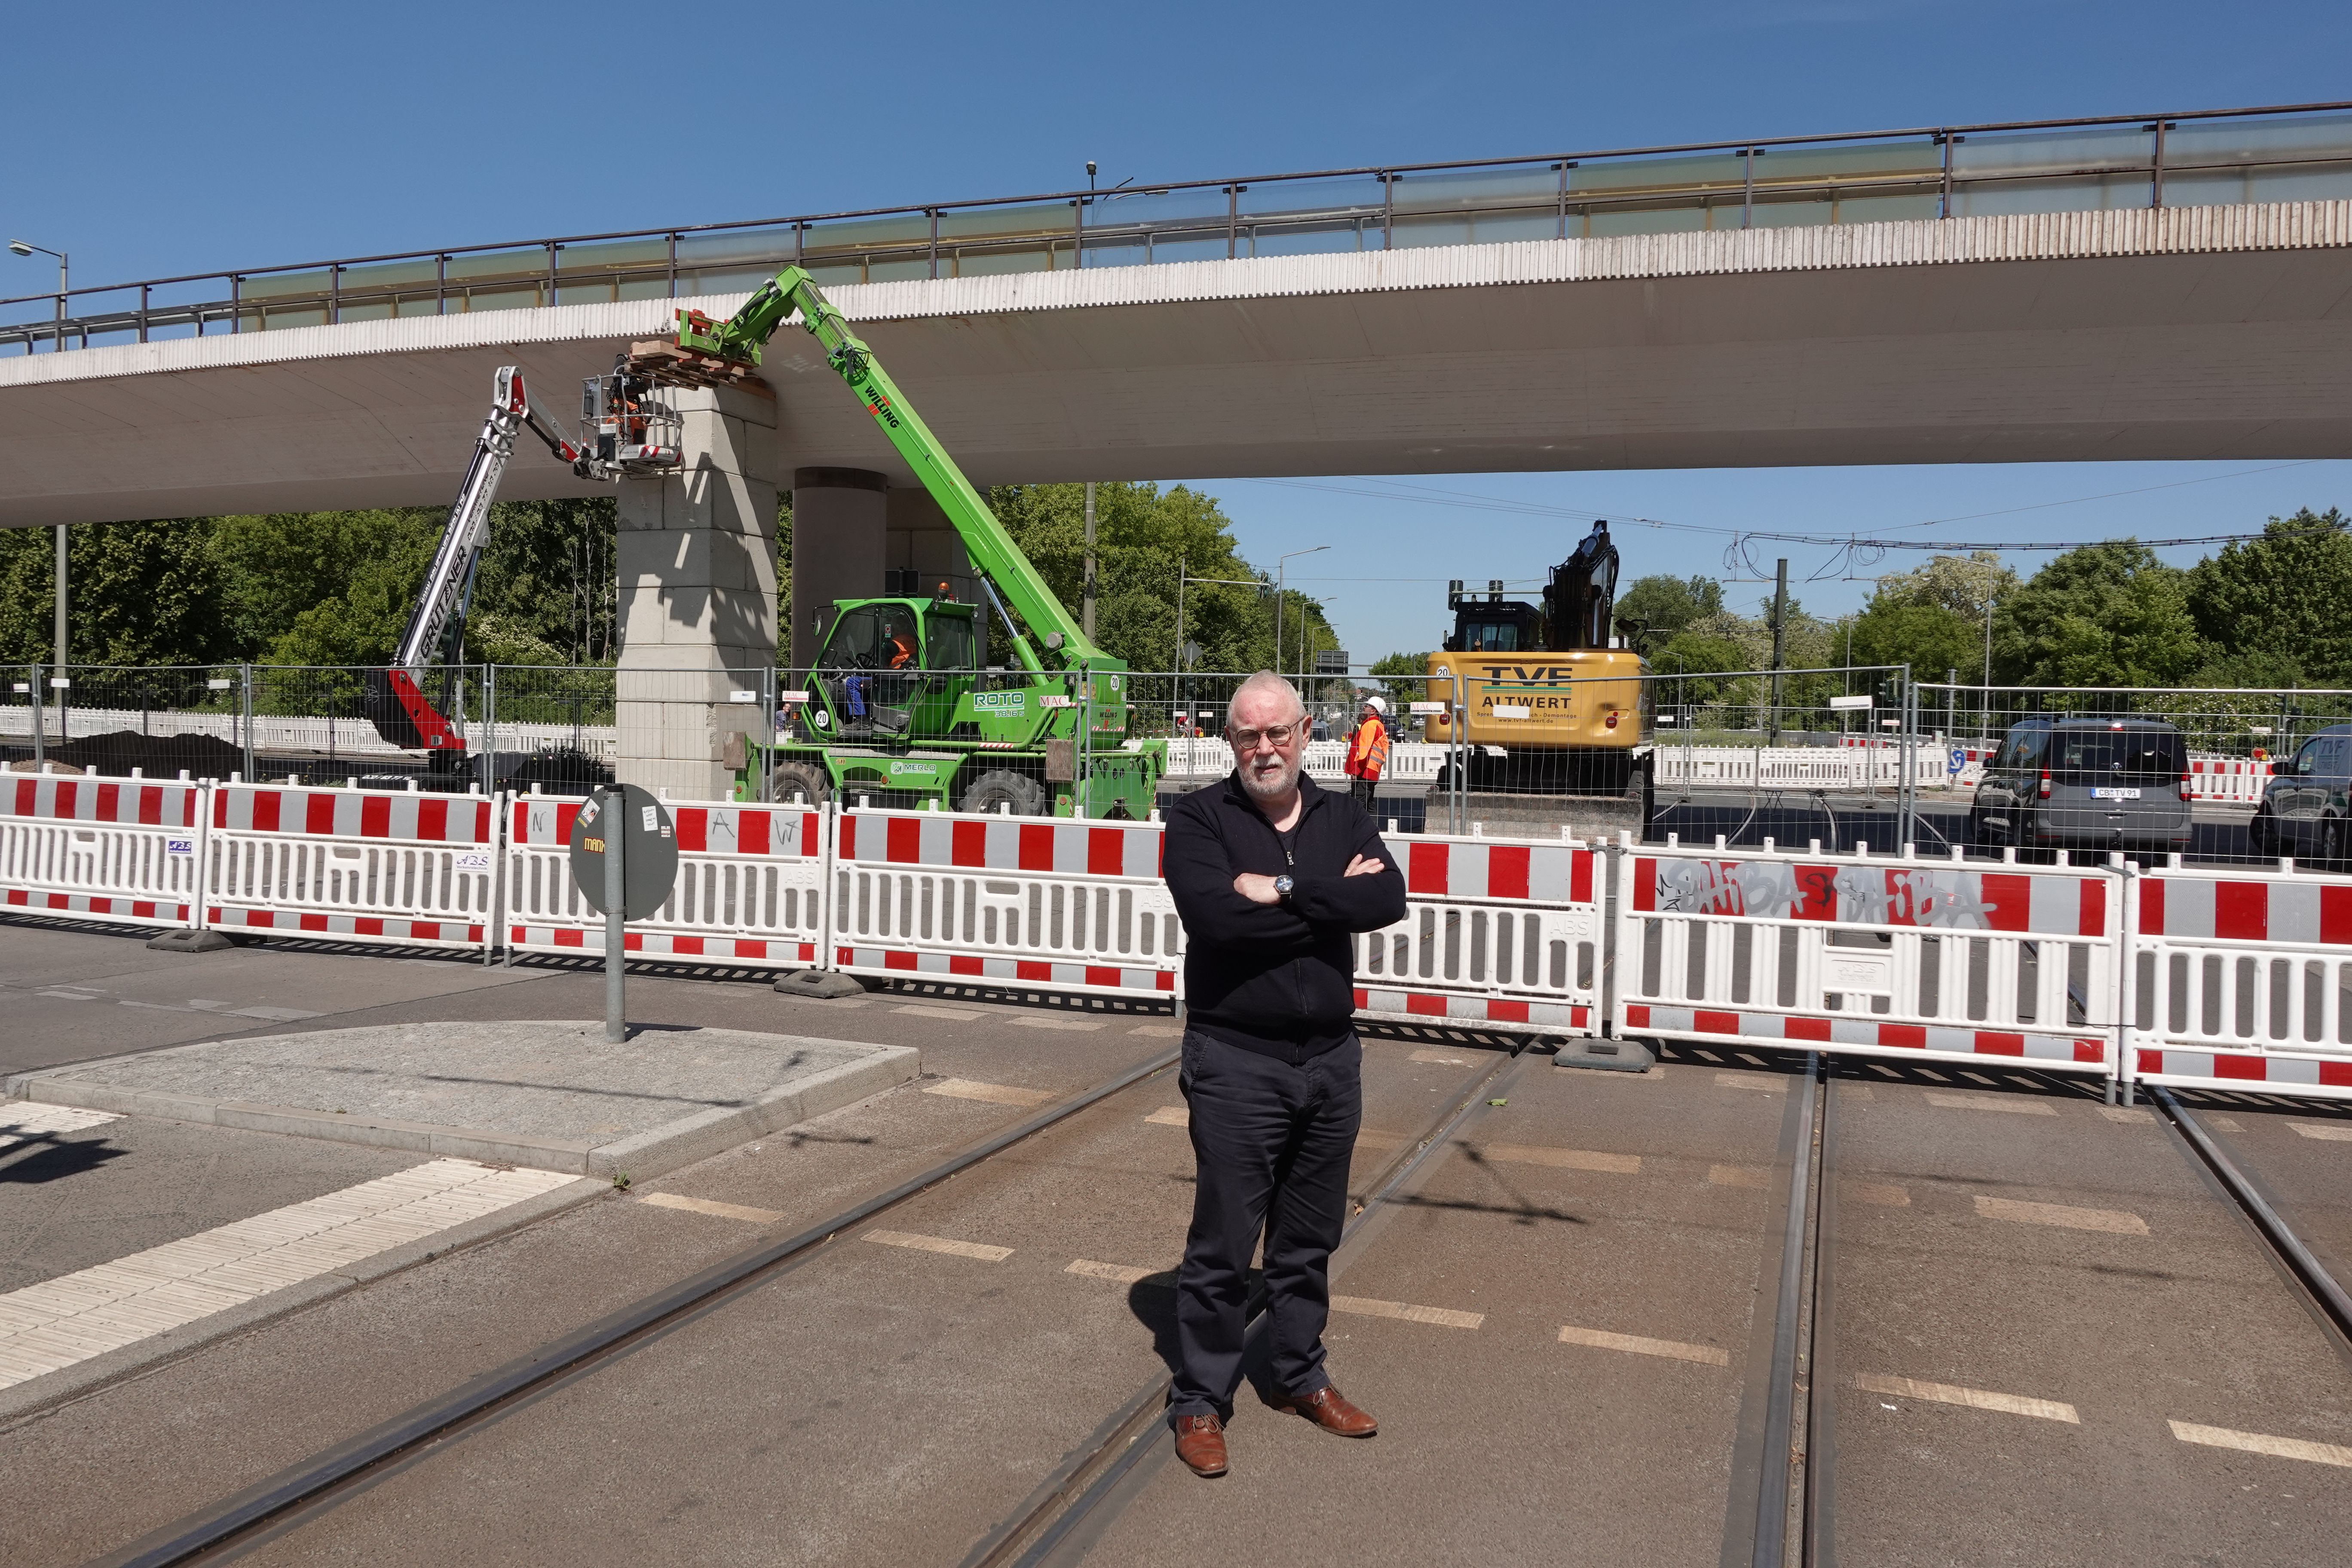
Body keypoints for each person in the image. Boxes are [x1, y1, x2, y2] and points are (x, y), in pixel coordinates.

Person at [1158, 671, 1408, 1479]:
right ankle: (1199, 1397)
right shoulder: (1198, 817)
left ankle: (1298, 1374)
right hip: (1236, 1059)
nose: (1263, 748)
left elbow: (1389, 900)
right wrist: (1329, 901)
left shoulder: (1342, 813)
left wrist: (1286, 888)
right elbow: (1214, 919)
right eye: (1246, 735)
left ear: (1305, 732)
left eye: (1278, 732)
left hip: (1331, 1060)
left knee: (1307, 1240)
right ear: (1228, 741)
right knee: (1224, 1244)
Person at [1343, 695, 1392, 813]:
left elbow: (1363, 751)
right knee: (1369, 805)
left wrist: (1355, 771)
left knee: (1358, 805)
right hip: (1370, 771)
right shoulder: (1377, 725)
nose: (1364, 707)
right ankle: (1372, 830)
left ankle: (1360, 831)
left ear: (1374, 711)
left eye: (1367, 706)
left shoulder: (1370, 726)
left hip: (1364, 771)